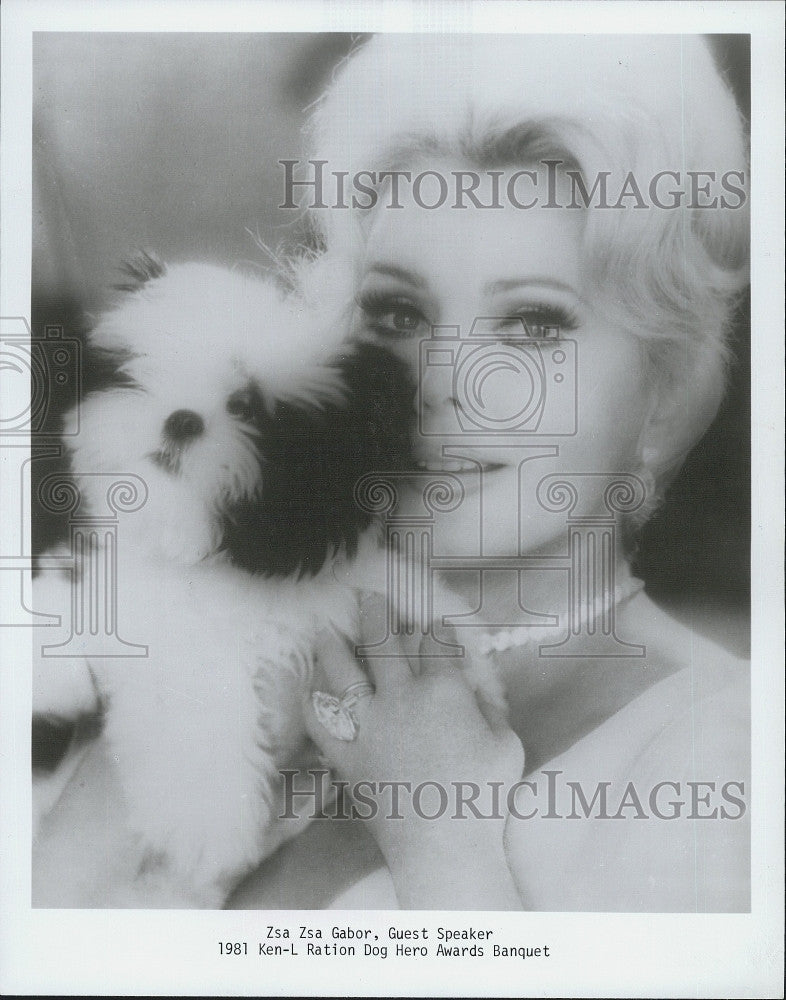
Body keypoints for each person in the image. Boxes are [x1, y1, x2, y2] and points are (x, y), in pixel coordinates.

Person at [32, 34, 750, 912]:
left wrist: (439, 839)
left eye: (531, 324)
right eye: (397, 311)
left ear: (666, 398)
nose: (436, 385)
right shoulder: (211, 648)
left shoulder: (730, 749)